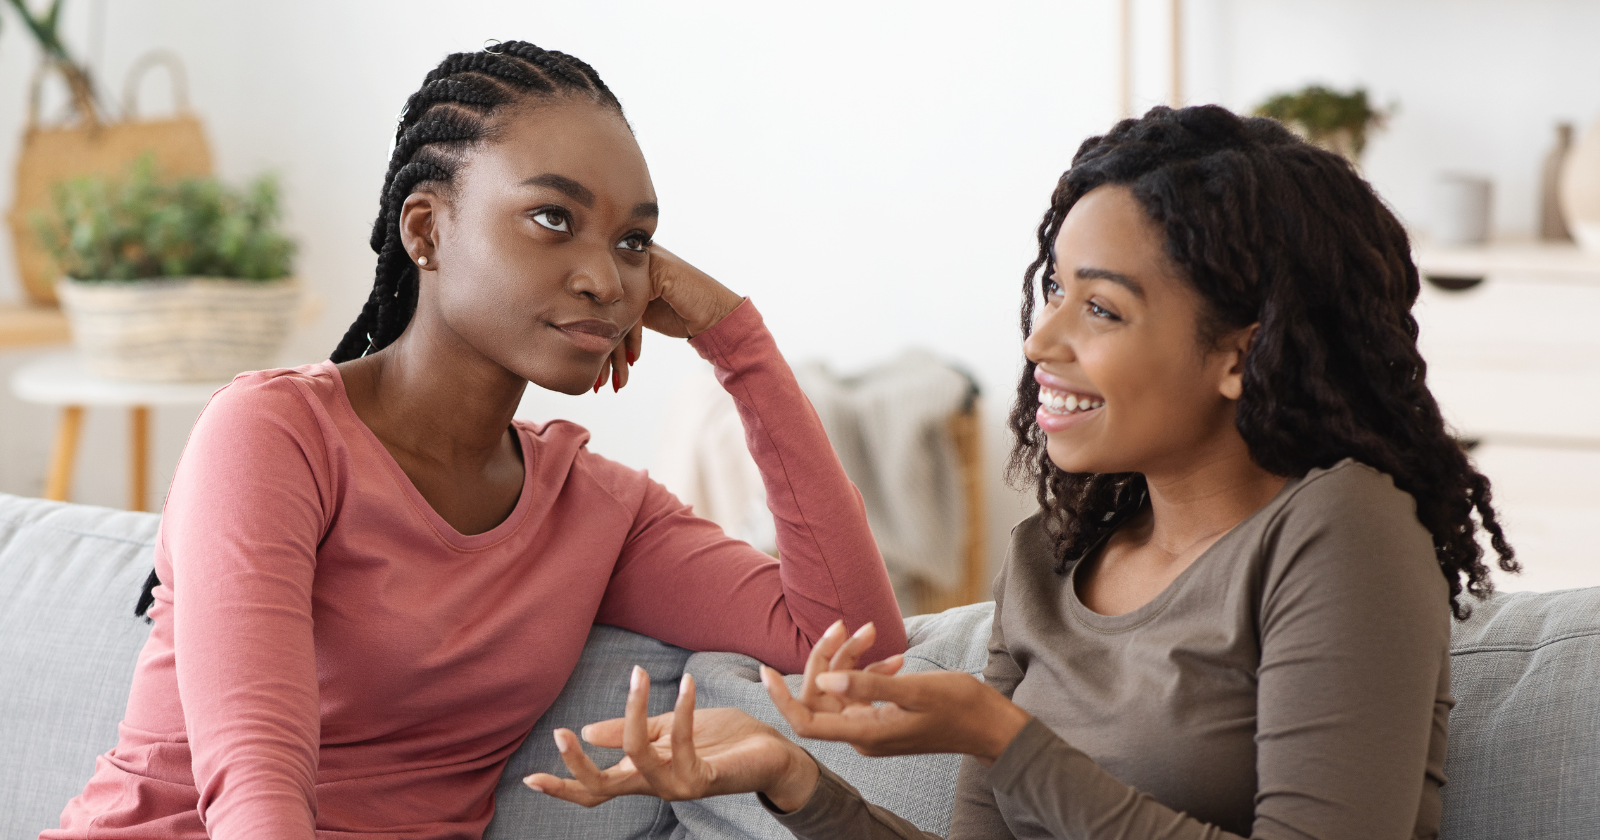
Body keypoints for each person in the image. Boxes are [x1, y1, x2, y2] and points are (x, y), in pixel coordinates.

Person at [526, 105, 1519, 840]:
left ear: (1240, 354)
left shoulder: (1340, 530)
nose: (1042, 340)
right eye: (1053, 291)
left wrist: (1002, 737)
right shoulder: (1052, 560)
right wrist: (794, 782)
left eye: (1102, 308)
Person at [43, 41, 905, 840]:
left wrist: (737, 342)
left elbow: (856, 647)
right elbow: (256, 781)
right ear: (426, 230)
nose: (605, 278)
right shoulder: (273, 435)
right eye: (553, 218)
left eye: (633, 242)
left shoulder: (597, 511)